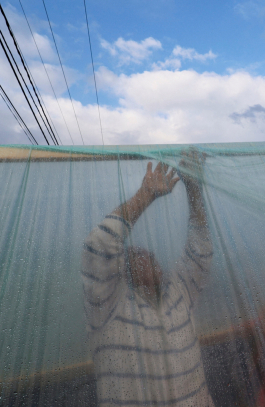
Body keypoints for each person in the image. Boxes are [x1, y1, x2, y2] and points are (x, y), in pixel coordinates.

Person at [81, 154, 214, 407]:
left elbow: (201, 250)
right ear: (122, 273)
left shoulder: (179, 294)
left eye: (150, 254)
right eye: (138, 254)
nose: (149, 255)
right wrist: (146, 195)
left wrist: (194, 187)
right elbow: (99, 245)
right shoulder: (108, 310)